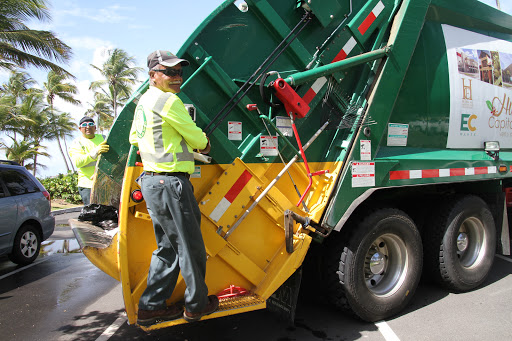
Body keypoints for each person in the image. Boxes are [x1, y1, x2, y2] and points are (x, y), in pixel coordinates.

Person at [129, 50, 217, 326]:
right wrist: (201, 144)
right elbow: (198, 139)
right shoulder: (168, 101)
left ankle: (151, 307)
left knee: (167, 248)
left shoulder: (144, 102)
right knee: (191, 247)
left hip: (152, 182)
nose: (177, 77)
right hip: (171, 184)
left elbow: (134, 139)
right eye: (169, 72)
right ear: (153, 75)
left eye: (179, 72)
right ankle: (196, 305)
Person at [68, 116, 109, 205]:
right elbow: (77, 162)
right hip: (87, 185)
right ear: (80, 128)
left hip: (105, 183)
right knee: (92, 213)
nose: (88, 127)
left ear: (95, 127)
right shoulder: (77, 143)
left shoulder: (103, 138)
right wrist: (94, 153)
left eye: (90, 124)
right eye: (84, 125)